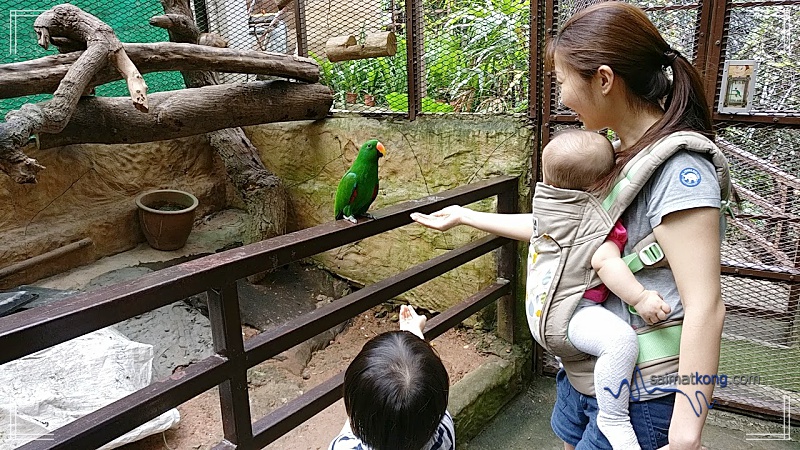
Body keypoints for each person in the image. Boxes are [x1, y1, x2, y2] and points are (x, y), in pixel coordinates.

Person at [410, 3, 726, 449]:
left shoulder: (680, 169)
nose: (561, 98)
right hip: (587, 373)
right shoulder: (618, 154)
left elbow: (706, 307)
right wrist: (466, 216)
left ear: (602, 79)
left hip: (643, 394)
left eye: (562, 82)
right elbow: (562, 233)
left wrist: (687, 433)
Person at [541, 129, 672, 449]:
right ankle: (613, 416)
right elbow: (604, 261)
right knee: (621, 341)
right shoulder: (599, 220)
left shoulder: (549, 208)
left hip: (548, 308)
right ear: (602, 185)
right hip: (575, 311)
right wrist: (640, 298)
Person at [329, 305, 455, 450]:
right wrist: (413, 335)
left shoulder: (344, 447)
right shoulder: (443, 436)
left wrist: (361, 405)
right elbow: (425, 394)